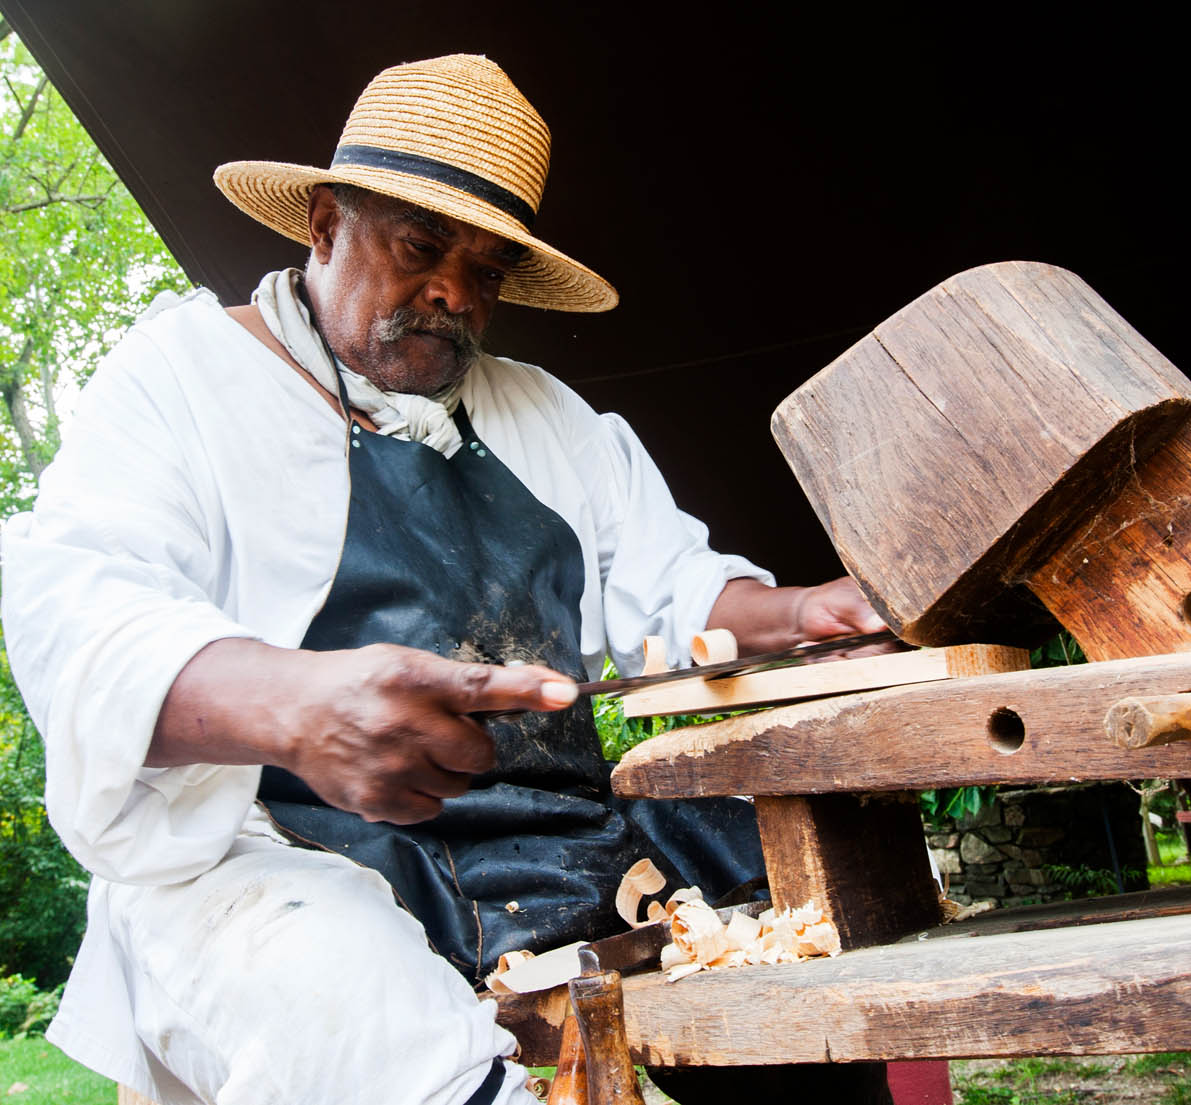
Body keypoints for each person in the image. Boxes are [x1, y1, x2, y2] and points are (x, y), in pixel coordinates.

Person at [1, 55, 893, 1104]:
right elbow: (79, 617)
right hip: (280, 857)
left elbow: (674, 592)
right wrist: (291, 709)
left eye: (489, 271)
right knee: (345, 1002)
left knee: (804, 925)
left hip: (557, 845)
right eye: (423, 246)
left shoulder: (543, 411)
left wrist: (797, 614)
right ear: (325, 224)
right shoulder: (178, 378)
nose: (455, 296)